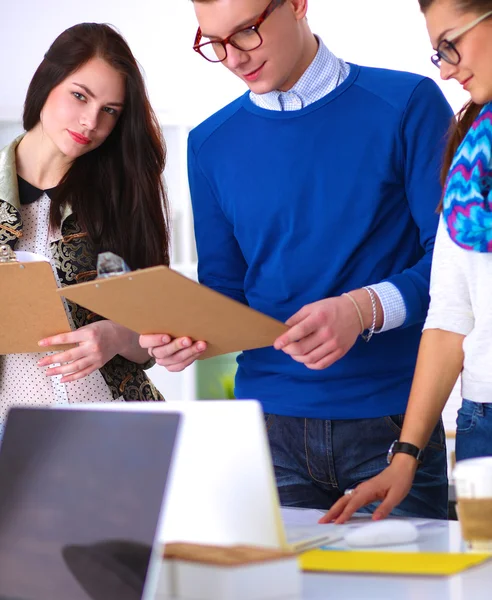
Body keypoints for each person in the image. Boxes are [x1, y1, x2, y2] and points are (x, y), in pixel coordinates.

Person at [141, 0, 453, 518]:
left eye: (245, 33)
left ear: (297, 5)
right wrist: (184, 332)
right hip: (265, 432)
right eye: (213, 43)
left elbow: (451, 267)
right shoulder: (209, 144)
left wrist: (361, 310)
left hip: (393, 428)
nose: (233, 59)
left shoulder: (407, 104)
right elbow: (226, 288)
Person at [320, 0, 492, 525]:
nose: (445, 67)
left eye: (450, 45)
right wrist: (407, 454)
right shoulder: (468, 159)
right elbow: (450, 319)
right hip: (484, 422)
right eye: (436, 51)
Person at [0, 23, 171, 434]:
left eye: (109, 110)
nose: (90, 121)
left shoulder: (121, 198)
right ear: (47, 80)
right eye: (80, 96)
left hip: (112, 427)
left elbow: (154, 329)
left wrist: (115, 336)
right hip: (12, 433)